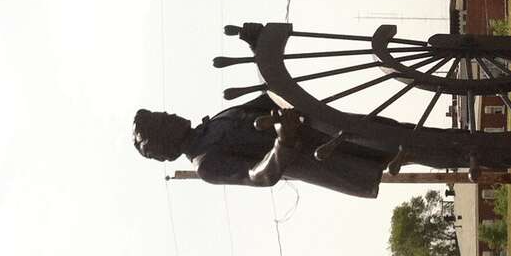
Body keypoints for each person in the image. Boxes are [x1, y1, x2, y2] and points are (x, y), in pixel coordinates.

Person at [132, 94, 392, 198]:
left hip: (326, 126)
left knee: (396, 131)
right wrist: (283, 141)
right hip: (325, 155)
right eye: (162, 121)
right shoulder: (206, 165)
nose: (169, 115)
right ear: (164, 144)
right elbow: (257, 176)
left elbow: (270, 96)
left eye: (162, 114)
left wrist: (259, 50)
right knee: (395, 147)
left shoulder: (215, 122)